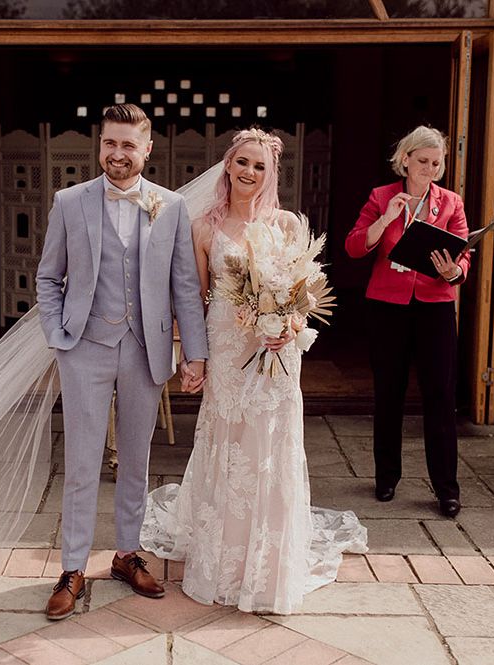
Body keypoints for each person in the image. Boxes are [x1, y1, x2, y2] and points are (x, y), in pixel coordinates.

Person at [140, 128, 366, 615]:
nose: (249, 172)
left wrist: (290, 324)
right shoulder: (203, 227)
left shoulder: (286, 225)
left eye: (259, 166)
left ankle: (268, 562)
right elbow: (194, 299)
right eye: (242, 162)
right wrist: (191, 358)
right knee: (230, 444)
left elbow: (306, 293)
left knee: (269, 444)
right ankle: (223, 558)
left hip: (277, 352)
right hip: (226, 346)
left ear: (270, 174)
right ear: (228, 165)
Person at [36, 104, 208, 620]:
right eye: (110, 143)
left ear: (147, 149)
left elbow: (184, 286)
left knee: (138, 459)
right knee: (83, 461)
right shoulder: (70, 202)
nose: (117, 154)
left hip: (145, 349)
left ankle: (127, 555)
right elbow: (48, 278)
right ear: (101, 145)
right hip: (83, 347)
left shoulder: (171, 206)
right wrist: (58, 336)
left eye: (128, 145)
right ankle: (71, 566)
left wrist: (193, 354)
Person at [345, 126, 470, 518]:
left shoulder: (451, 202)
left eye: (437, 163)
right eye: (422, 162)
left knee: (440, 397)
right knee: (389, 392)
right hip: (387, 306)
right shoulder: (382, 197)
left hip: (434, 306)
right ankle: (387, 477)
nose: (430, 169)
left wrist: (454, 272)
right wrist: (385, 220)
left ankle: (447, 489)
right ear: (405, 160)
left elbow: (464, 254)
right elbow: (353, 246)